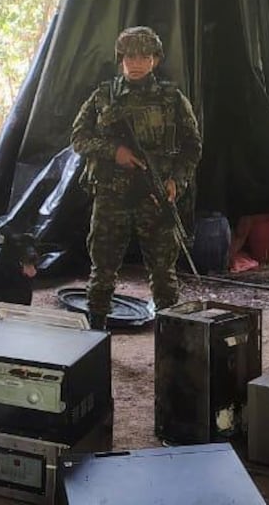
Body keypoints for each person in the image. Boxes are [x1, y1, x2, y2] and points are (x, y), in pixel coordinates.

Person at [71, 26, 202, 330]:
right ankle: (95, 334)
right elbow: (79, 138)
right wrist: (113, 151)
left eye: (144, 56)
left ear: (155, 59)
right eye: (130, 56)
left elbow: (192, 147)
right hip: (111, 194)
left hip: (154, 197)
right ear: (121, 59)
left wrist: (176, 182)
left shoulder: (172, 99)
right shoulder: (103, 96)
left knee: (163, 273)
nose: (136, 62)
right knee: (102, 269)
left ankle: (171, 338)